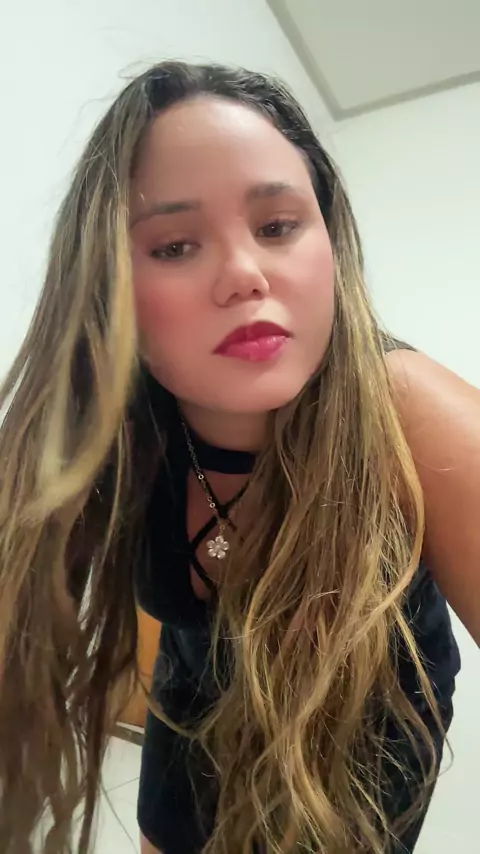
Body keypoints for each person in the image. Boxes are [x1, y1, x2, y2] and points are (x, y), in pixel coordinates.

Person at [0, 59, 478, 854]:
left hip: (365, 723)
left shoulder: (408, 411)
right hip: (188, 689)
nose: (245, 275)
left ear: (330, 241)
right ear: (107, 284)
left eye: (278, 226)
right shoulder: (112, 428)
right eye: (176, 245)